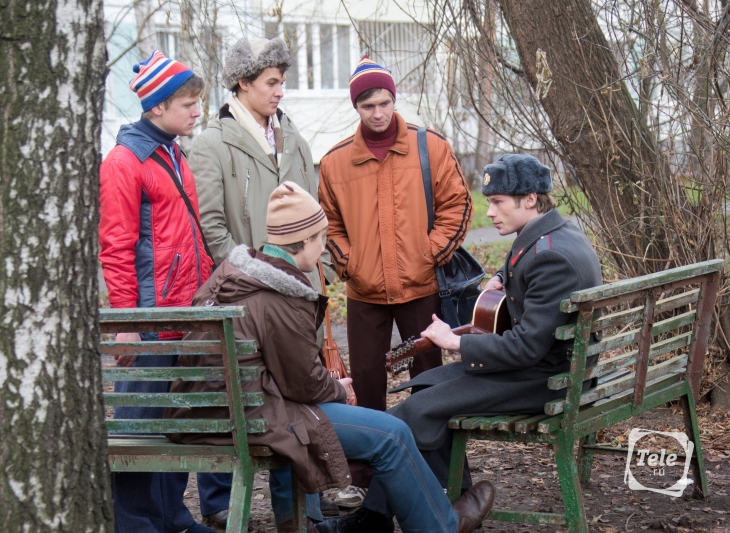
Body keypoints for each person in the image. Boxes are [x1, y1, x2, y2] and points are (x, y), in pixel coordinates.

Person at [166, 181, 496, 533]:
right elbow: (304, 385)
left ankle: (306, 524)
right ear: (304, 240)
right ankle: (441, 527)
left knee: (349, 425)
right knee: (393, 433)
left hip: (202, 413)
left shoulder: (230, 276)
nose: (323, 247)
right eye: (320, 238)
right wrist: (339, 389)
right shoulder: (281, 295)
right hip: (253, 418)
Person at [323, 154, 603, 532]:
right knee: (425, 387)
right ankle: (450, 495)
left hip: (547, 382)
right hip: (554, 370)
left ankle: (375, 520)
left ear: (530, 199)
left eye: (498, 202)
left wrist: (453, 343)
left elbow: (525, 347)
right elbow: (524, 274)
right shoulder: (556, 234)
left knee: (411, 414)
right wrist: (501, 278)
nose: (490, 212)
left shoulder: (549, 256)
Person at [188, 36, 335, 528]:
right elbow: (211, 226)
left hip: (295, 297)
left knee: (299, 397)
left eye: (282, 81)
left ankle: (303, 514)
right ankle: (227, 508)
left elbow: (312, 212)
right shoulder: (212, 143)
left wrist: (318, 272)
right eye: (271, 82)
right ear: (242, 82)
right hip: (250, 302)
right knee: (253, 400)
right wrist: (255, 276)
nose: (280, 91)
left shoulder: (292, 136)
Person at [318, 55, 472, 507]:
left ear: (394, 99)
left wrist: (429, 254)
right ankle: (370, 492)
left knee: (431, 384)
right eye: (368, 105)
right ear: (356, 107)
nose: (378, 113)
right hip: (364, 293)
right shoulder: (335, 162)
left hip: (421, 288)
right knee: (366, 387)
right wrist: (350, 262)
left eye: (384, 102)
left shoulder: (431, 147)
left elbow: (458, 205)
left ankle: (443, 479)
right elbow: (327, 223)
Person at [98, 50, 214, 533]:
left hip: (183, 314)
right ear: (157, 106)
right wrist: (127, 323)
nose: (197, 112)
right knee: (138, 427)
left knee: (174, 424)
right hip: (149, 320)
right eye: (188, 104)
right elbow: (116, 246)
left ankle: (172, 519)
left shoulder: (173, 153)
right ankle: (133, 524)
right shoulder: (125, 161)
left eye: (197, 103)